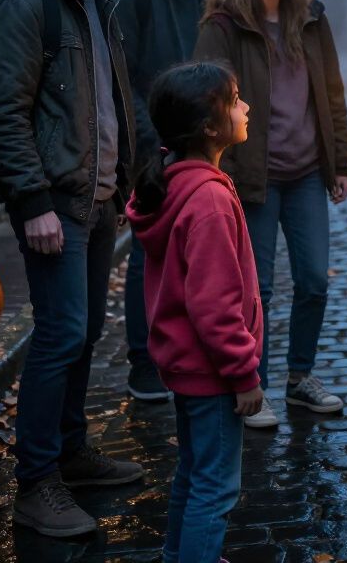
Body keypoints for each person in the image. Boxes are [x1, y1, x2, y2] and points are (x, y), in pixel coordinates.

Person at [0, 0, 143, 538]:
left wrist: (124, 180)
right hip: (56, 203)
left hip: (97, 199)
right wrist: (32, 200)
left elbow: (109, 101)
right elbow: (1, 112)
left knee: (85, 333)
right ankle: (37, 482)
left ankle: (71, 452)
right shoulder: (29, 1)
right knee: (59, 335)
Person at [194, 0, 347, 429]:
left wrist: (341, 161)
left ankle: (300, 377)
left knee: (314, 280)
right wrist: (218, 171)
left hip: (306, 172)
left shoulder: (310, 16)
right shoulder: (223, 25)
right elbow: (206, 100)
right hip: (252, 177)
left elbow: (331, 92)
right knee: (256, 289)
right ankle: (253, 386)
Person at [127, 61, 263, 563]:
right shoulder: (207, 200)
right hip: (213, 373)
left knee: (193, 472)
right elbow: (214, 306)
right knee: (216, 487)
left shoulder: (181, 183)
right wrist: (243, 374)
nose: (245, 107)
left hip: (188, 367)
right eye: (235, 100)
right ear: (209, 126)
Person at [115, 0, 216, 402]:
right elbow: (124, 73)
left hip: (203, 144)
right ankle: (143, 362)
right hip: (152, 144)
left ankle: (191, 353)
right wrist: (150, 137)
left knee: (200, 251)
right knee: (149, 252)